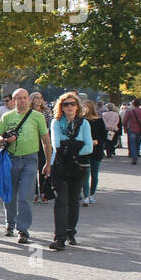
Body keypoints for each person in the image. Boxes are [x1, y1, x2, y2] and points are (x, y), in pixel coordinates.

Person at [0, 88, 52, 245]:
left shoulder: (37, 116)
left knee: (25, 196)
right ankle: (9, 224)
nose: (22, 101)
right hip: (10, 159)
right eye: (18, 98)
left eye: (25, 98)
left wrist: (48, 161)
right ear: (13, 101)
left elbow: (45, 140)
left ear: (29, 99)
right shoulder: (7, 116)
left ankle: (23, 230)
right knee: (9, 194)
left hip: (30, 160)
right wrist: (4, 138)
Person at [48, 92, 93, 251]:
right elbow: (57, 144)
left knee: (73, 201)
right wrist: (76, 145)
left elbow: (89, 147)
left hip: (78, 166)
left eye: (72, 104)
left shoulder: (84, 124)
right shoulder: (56, 122)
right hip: (60, 166)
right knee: (61, 202)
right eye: (66, 104)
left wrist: (72, 147)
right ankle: (59, 238)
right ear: (61, 107)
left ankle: (70, 231)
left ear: (77, 106)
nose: (69, 107)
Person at [80, 100, 107, 206]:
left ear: (90, 108)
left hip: (96, 150)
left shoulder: (99, 121)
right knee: (85, 174)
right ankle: (86, 196)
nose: (83, 109)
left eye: (85, 107)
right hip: (84, 151)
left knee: (94, 174)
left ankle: (92, 194)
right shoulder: (81, 120)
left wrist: (97, 141)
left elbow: (104, 136)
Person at [122, 99, 141, 164]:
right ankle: (136, 153)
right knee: (138, 143)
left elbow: (125, 120)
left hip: (131, 129)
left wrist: (125, 128)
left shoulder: (130, 111)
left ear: (133, 104)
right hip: (140, 129)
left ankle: (134, 156)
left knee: (132, 143)